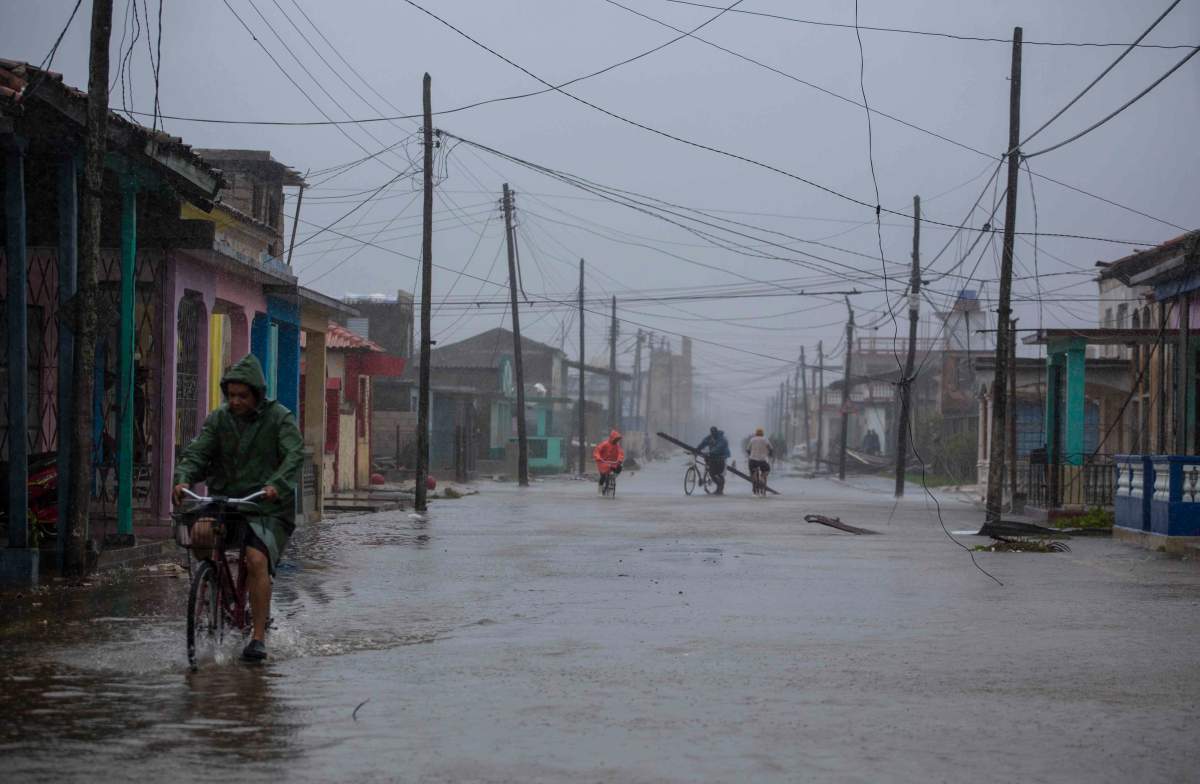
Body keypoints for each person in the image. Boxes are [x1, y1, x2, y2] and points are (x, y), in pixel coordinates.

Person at [173, 355, 304, 662]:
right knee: (200, 535)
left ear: (257, 394)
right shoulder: (218, 420)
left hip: (265, 508)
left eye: (242, 396)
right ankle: (213, 584)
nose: (235, 401)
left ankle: (257, 638)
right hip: (225, 503)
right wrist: (183, 479)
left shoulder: (279, 418)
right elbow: (197, 452)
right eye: (231, 395)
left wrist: (276, 484)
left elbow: (294, 455)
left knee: (256, 559)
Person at [696, 426, 730, 495]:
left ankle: (720, 489)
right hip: (713, 456)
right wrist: (697, 449)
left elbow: (719, 447)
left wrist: (710, 452)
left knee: (720, 473)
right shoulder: (710, 437)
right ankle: (718, 487)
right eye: (712, 432)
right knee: (712, 473)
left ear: (716, 432)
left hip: (722, 457)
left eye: (714, 432)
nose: (713, 434)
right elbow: (703, 443)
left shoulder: (722, 439)